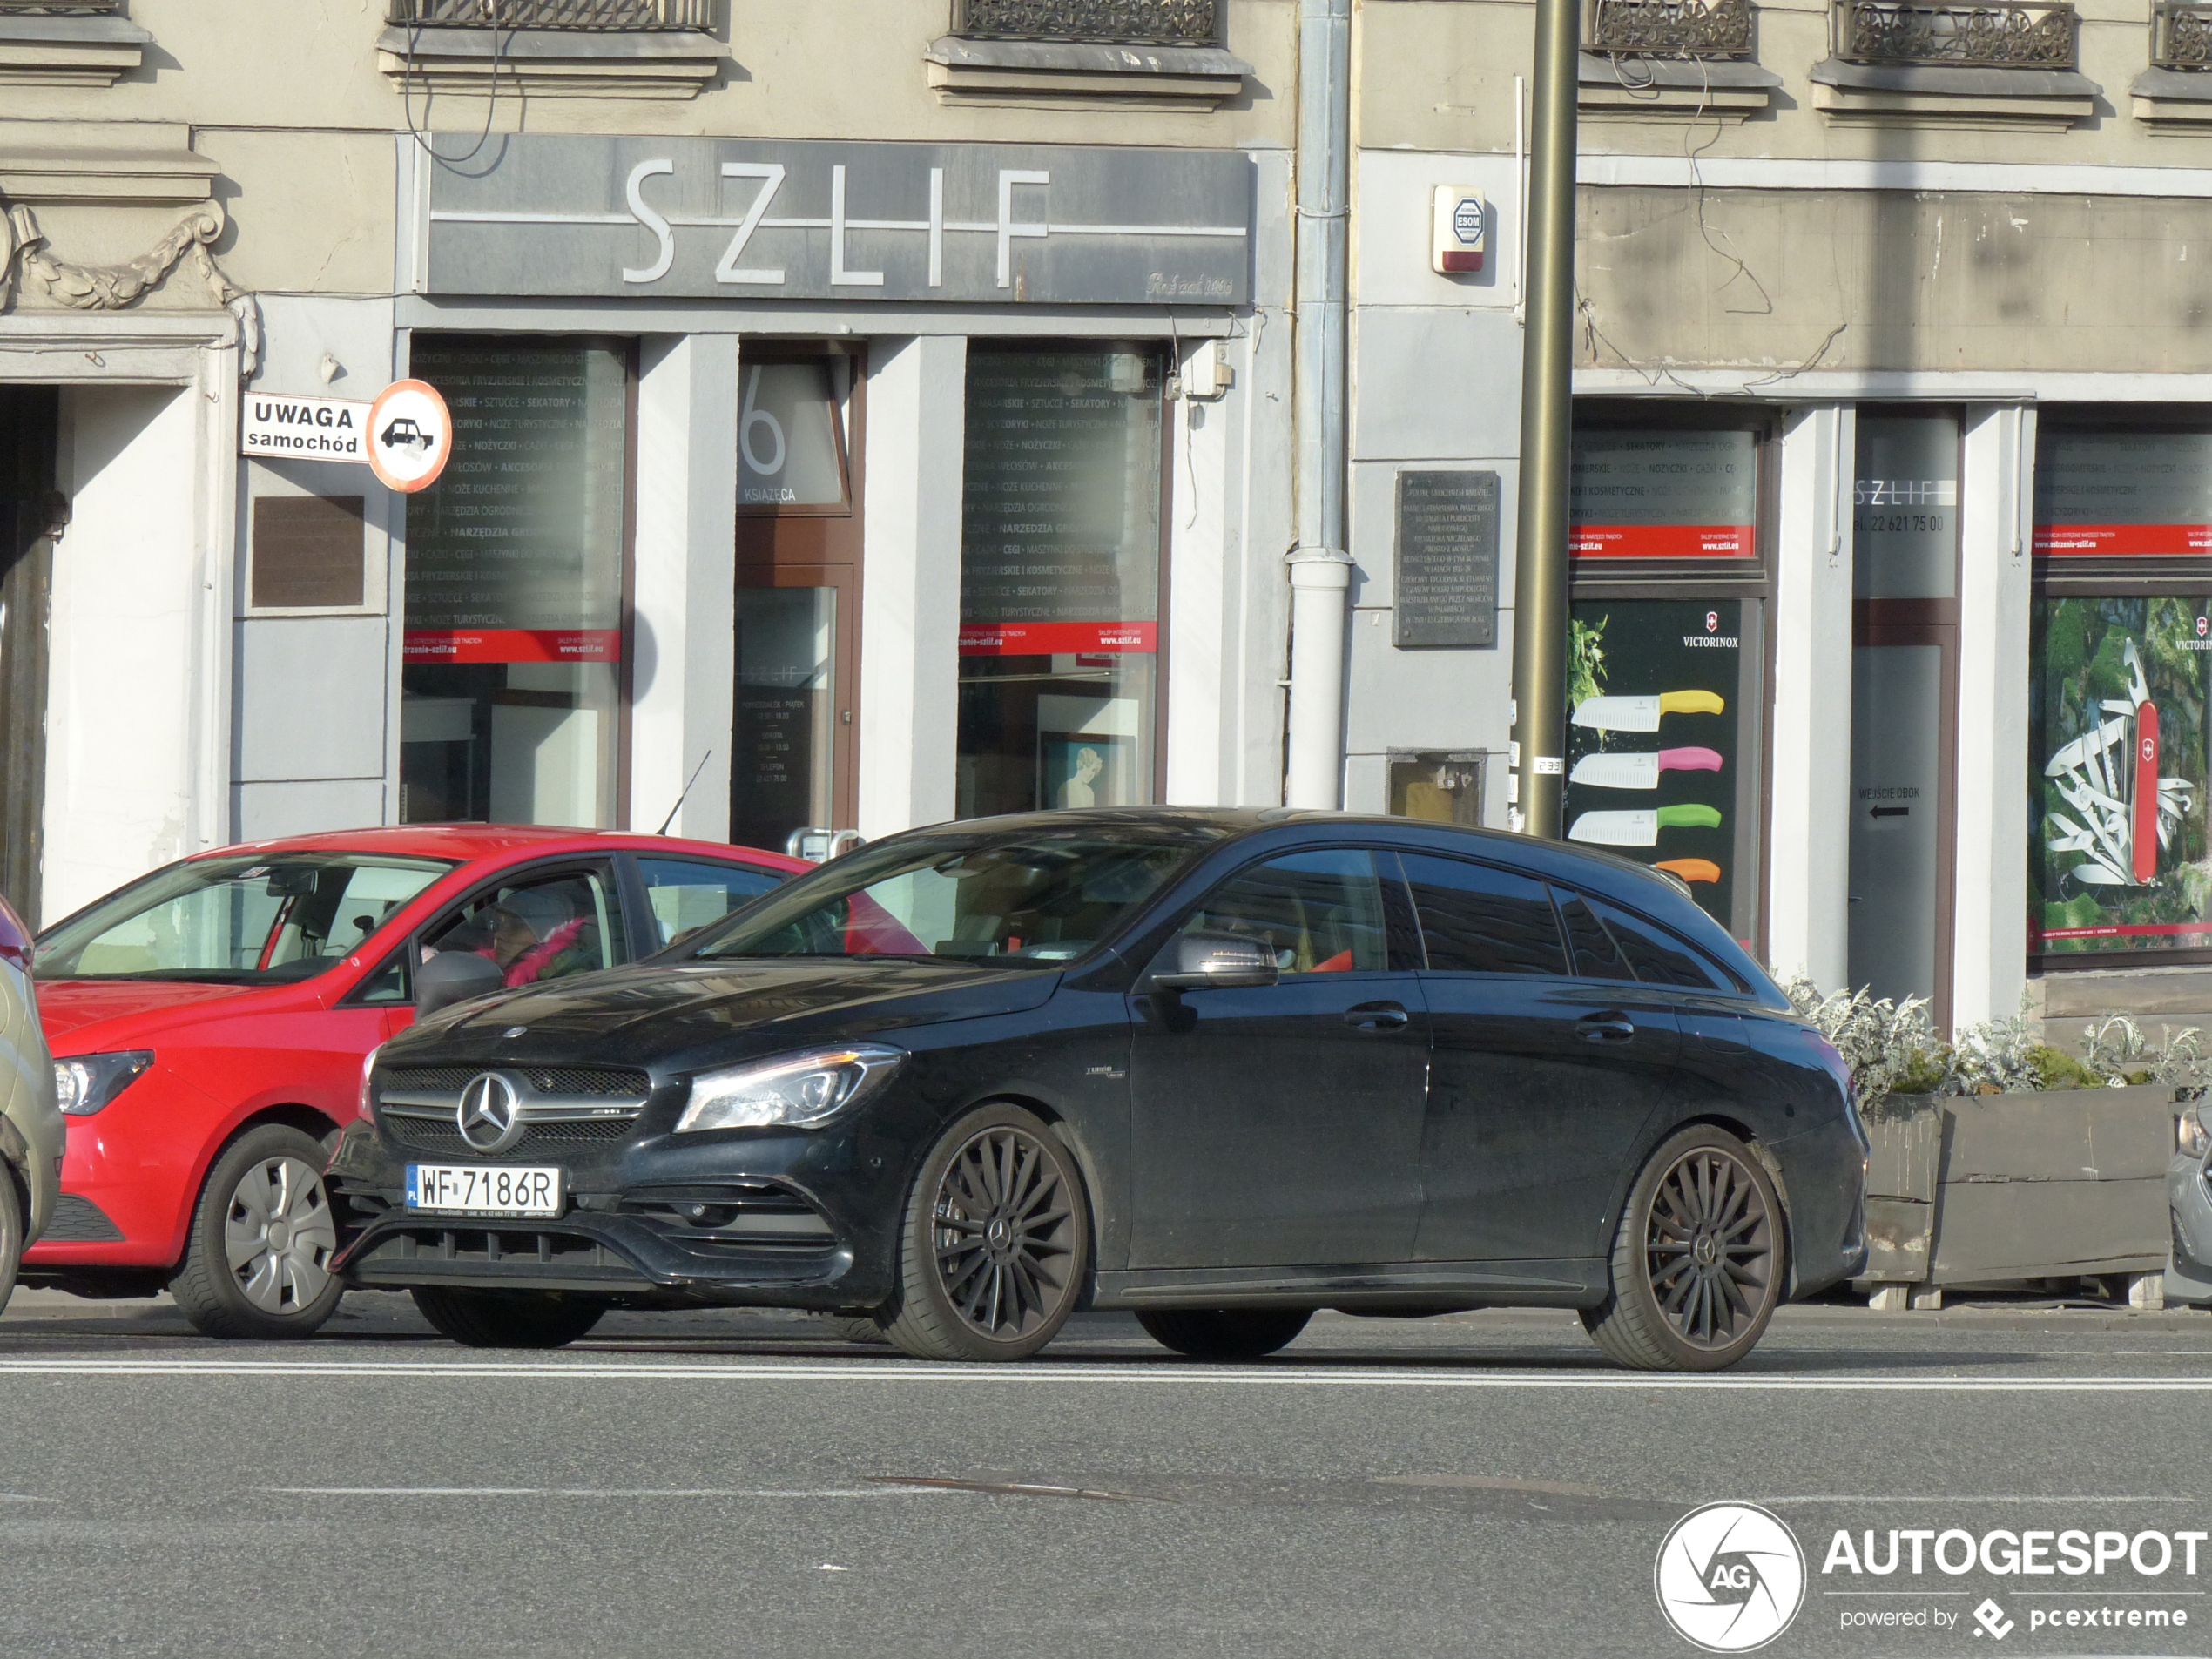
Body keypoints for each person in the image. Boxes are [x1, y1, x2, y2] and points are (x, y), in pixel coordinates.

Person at [478, 888, 594, 988]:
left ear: (547, 933)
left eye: (517, 926)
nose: (499, 935)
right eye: (498, 923)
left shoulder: (567, 977)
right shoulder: (485, 967)